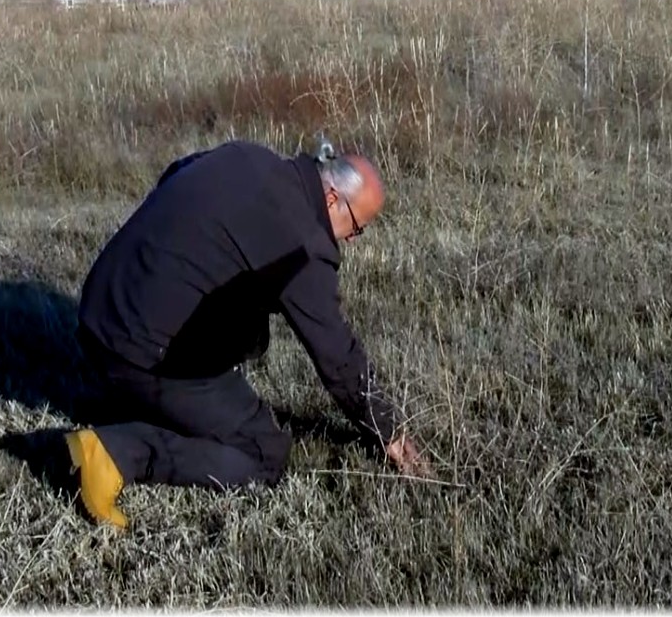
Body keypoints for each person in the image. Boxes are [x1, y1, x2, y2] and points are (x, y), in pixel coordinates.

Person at [66, 139, 427, 528]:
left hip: (96, 312)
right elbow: (337, 357)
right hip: (138, 352)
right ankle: (117, 454)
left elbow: (175, 173)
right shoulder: (302, 243)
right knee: (264, 453)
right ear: (332, 199)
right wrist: (387, 429)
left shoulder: (246, 155)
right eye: (357, 227)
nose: (354, 238)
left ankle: (140, 397)